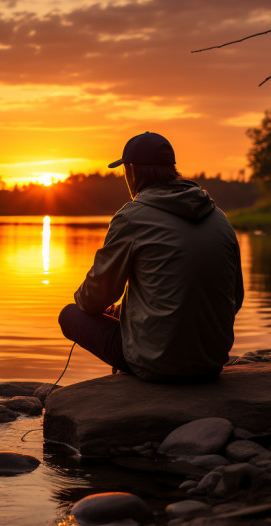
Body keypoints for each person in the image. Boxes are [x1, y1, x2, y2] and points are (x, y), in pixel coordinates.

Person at [58, 132, 244, 382]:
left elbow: (94, 298)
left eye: (124, 171)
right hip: (211, 361)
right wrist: (124, 312)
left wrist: (95, 306)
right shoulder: (219, 217)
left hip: (155, 364)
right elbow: (236, 297)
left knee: (70, 315)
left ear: (132, 171)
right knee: (118, 312)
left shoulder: (132, 218)